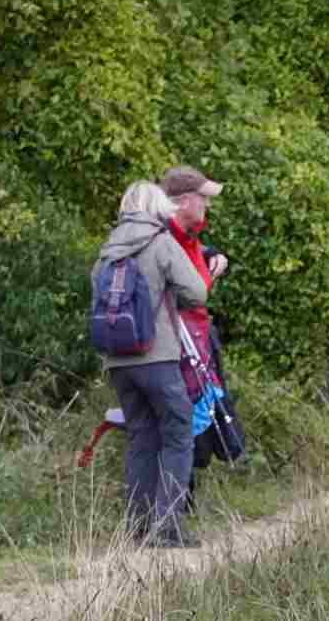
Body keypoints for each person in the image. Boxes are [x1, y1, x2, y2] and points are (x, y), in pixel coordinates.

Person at [92, 181, 209, 546]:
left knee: (142, 435)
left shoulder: (108, 249)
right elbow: (197, 291)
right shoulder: (161, 242)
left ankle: (138, 526)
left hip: (117, 359)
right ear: (157, 208)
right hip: (156, 354)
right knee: (179, 431)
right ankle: (167, 528)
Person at [161, 165, 233, 474]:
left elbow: (194, 250)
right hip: (178, 347)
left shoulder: (187, 236)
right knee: (186, 433)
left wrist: (211, 254)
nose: (208, 205)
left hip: (199, 338)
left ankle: (178, 507)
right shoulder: (164, 238)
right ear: (185, 201)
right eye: (204, 198)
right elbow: (189, 293)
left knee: (200, 432)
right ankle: (172, 509)